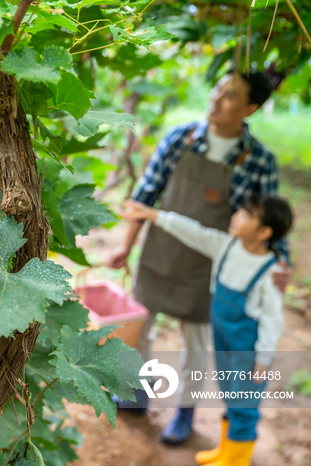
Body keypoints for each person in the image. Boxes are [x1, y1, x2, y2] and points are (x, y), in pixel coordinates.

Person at [107, 69, 292, 445]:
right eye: (218, 90)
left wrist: (281, 266)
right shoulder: (180, 138)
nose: (215, 98)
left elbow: (271, 223)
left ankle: (185, 412)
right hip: (161, 252)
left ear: (251, 108)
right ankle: (137, 393)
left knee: (197, 343)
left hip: (210, 266)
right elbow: (145, 196)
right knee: (142, 330)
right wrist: (126, 246)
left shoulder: (259, 161)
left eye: (229, 95)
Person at [119, 194, 292, 466]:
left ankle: (237, 458)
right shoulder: (226, 246)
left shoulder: (270, 271)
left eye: (246, 215)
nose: (235, 217)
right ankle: (226, 450)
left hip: (249, 348)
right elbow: (192, 231)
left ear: (264, 232)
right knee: (229, 390)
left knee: (243, 401)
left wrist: (262, 359)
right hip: (224, 339)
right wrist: (154, 215)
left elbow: (272, 320)